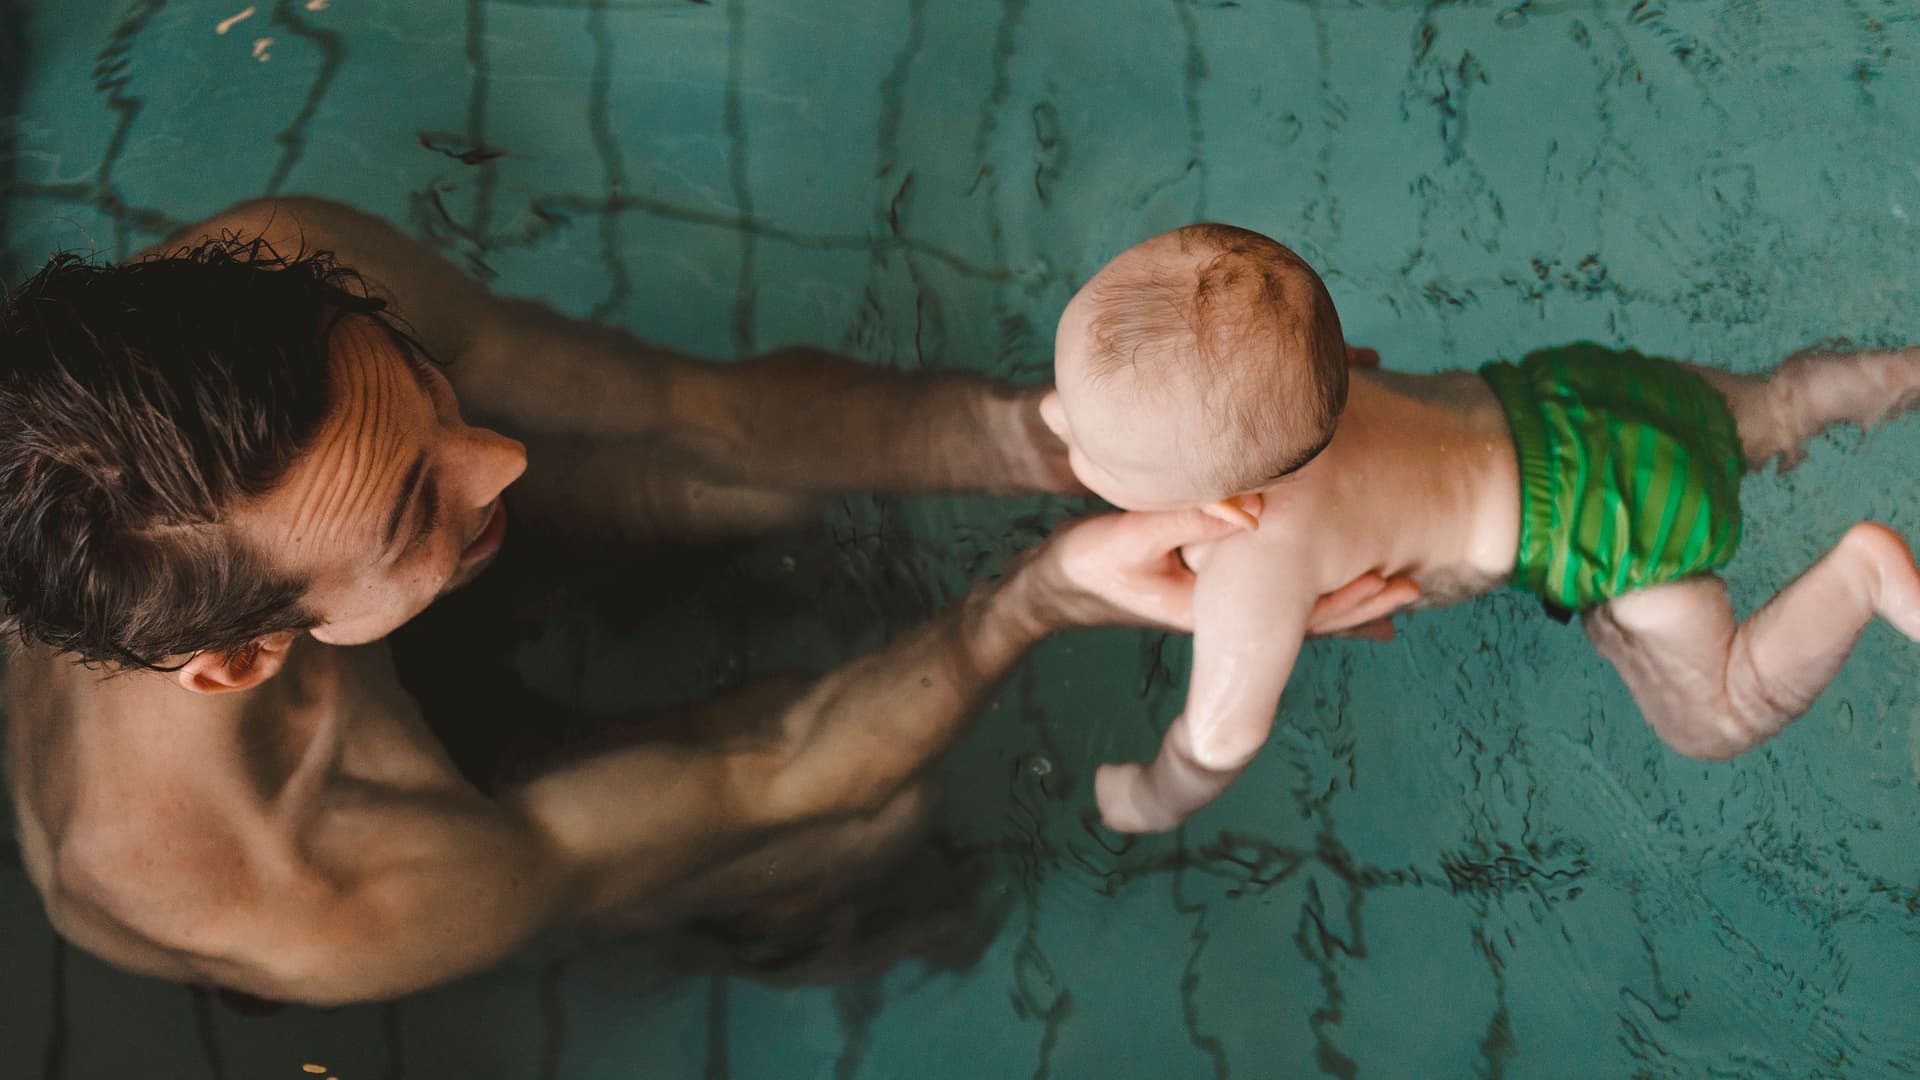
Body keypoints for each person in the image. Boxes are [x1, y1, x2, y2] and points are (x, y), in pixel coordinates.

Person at [0, 198, 1414, 1005]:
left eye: (429, 394)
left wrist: (1080, 444)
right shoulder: (321, 889)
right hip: (460, 805)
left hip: (370, 636)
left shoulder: (273, 283)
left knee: (731, 483)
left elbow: (707, 415)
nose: (504, 459)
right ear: (245, 657)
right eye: (411, 501)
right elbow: (767, 771)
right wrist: (1037, 598)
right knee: (862, 827)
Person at [1042, 222, 1920, 834]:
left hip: (1604, 530)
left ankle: (1864, 577)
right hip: (1582, 396)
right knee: (1778, 406)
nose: (1051, 419)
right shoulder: (1304, 375)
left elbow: (1221, 734)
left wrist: (1153, 795)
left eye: (1091, 448)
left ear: (1226, 505)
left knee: (1718, 717)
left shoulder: (1250, 556)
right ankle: (1890, 375)